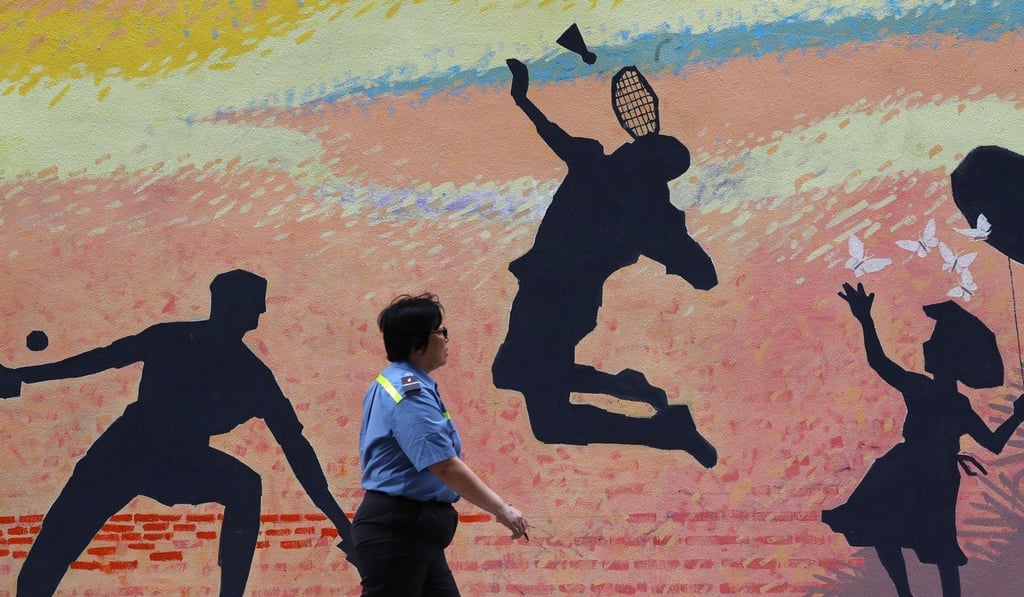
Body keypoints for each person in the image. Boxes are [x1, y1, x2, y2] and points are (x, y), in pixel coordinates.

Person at [0, 269, 356, 596]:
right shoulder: (181, 342)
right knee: (48, 557)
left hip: (177, 460)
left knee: (246, 485)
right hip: (125, 452)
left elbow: (298, 452)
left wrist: (343, 525)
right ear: (244, 309)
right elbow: (100, 359)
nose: (255, 314)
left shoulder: (252, 376)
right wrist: (23, 376)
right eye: (251, 306)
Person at [492, 58, 718, 466]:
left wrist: (522, 99)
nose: (627, 143)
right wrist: (674, 242)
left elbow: (551, 133)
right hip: (559, 299)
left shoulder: (599, 168)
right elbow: (705, 276)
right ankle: (630, 389)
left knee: (547, 417)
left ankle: (665, 429)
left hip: (551, 301)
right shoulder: (646, 209)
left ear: (643, 158)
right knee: (513, 371)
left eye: (636, 147)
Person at [823, 282, 1024, 597]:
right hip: (925, 471)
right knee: (910, 535)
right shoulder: (951, 401)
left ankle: (907, 593)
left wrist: (866, 320)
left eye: (936, 344)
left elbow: (880, 363)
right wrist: (1017, 415)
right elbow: (995, 444)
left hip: (919, 470)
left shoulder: (925, 389)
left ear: (946, 358)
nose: (928, 346)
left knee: (909, 534)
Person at [353, 293, 528, 596]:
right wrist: (502, 509)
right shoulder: (409, 393)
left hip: (414, 532)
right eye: (441, 332)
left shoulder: (396, 382)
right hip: (399, 532)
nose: (447, 339)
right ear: (417, 341)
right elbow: (444, 465)